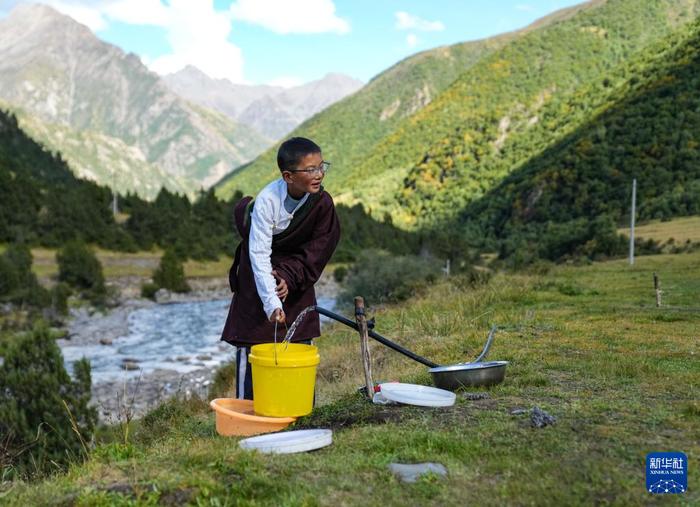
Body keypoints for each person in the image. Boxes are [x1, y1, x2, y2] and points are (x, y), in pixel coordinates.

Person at [220, 137, 341, 400]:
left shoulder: (321, 204)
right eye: (310, 170)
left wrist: (289, 275)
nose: (319, 174)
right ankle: (248, 412)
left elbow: (319, 250)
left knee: (297, 344)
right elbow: (259, 254)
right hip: (259, 277)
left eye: (321, 167)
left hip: (297, 278)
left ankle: (296, 408)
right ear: (288, 176)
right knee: (254, 346)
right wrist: (271, 302)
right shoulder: (267, 202)